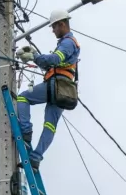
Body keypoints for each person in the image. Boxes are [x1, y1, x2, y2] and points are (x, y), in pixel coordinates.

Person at [15, 9, 80, 170]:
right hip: (65, 92)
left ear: (62, 24)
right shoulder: (71, 43)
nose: (53, 30)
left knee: (23, 97)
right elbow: (51, 64)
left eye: (54, 27)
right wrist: (36, 59)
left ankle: (26, 130)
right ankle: (36, 157)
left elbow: (55, 59)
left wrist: (34, 56)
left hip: (55, 85)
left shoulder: (67, 42)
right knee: (50, 125)